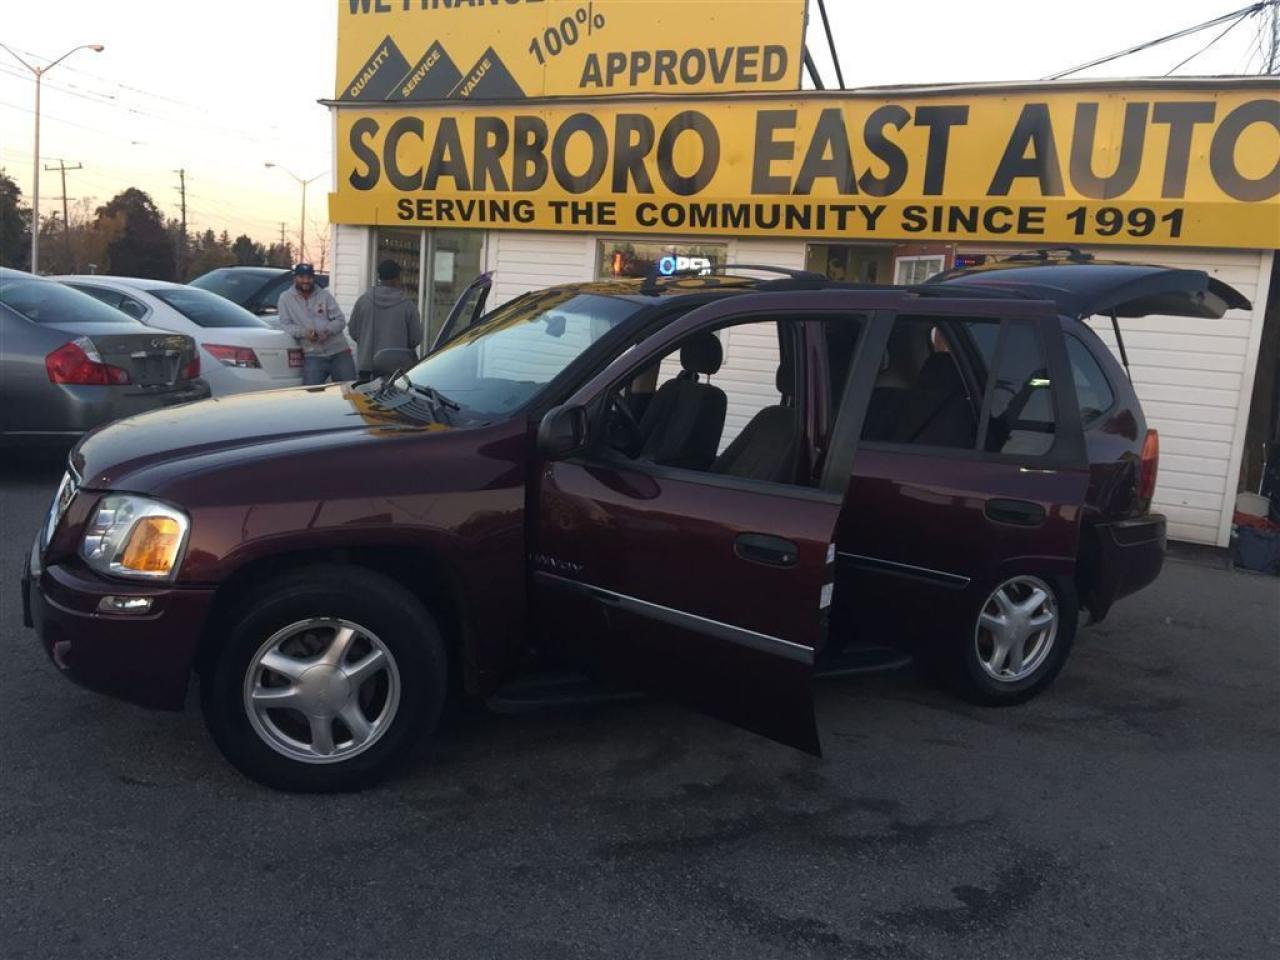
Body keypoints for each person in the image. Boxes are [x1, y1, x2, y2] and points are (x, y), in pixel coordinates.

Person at [277, 263, 355, 386]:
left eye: (309, 277)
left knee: (349, 389)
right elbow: (286, 325)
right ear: (295, 278)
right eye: (302, 277)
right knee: (311, 392)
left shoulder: (324, 295)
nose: (306, 281)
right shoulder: (285, 298)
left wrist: (327, 331)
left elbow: (340, 320)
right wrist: (304, 333)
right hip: (313, 354)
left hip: (339, 351)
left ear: (313, 278)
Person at [349, 259, 423, 379]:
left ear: (380, 278)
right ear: (397, 278)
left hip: (366, 367)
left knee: (365, 392)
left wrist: (367, 344)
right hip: (396, 370)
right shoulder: (408, 306)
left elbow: (353, 331)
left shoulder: (363, 301)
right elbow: (415, 339)